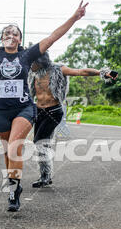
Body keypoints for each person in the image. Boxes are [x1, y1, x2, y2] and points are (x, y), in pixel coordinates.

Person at [0, 0, 88, 212]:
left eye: (14, 33)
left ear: (19, 39)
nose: (10, 35)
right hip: (0, 112)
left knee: (15, 145)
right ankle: (13, 185)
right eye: (7, 33)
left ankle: (14, 191)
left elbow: (53, 36)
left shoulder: (27, 55)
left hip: (24, 109)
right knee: (9, 150)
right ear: (2, 38)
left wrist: (74, 18)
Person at [28, 52, 116, 188]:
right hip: (39, 111)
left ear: (40, 62)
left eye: (33, 63)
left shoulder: (58, 69)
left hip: (54, 111)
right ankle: (46, 175)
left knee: (39, 141)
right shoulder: (32, 73)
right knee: (42, 143)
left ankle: (45, 176)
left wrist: (102, 72)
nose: (31, 65)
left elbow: (80, 71)